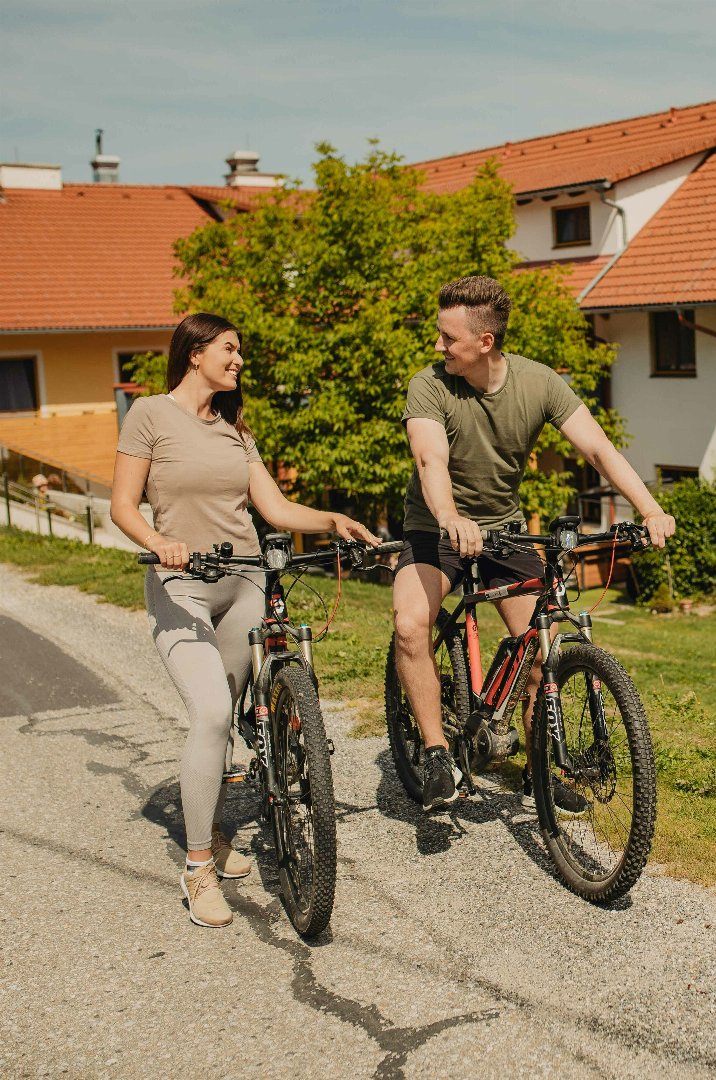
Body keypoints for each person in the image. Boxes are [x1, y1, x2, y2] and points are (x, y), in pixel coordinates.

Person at [110, 313, 379, 928]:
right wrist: (159, 539)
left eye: (239, 352)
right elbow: (123, 504)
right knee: (208, 713)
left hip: (246, 584)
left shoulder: (236, 430)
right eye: (230, 349)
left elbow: (274, 507)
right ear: (196, 351)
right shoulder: (150, 415)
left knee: (228, 718)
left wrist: (333, 520)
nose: (238, 361)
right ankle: (199, 864)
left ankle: (221, 834)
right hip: (182, 585)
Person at [392, 275, 676, 813]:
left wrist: (650, 509)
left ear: (485, 342)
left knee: (541, 649)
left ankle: (539, 772)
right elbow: (431, 459)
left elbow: (598, 449)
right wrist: (450, 516)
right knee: (410, 625)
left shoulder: (539, 383)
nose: (437, 347)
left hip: (503, 528)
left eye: (447, 338)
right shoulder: (428, 385)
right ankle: (433, 751)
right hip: (433, 528)